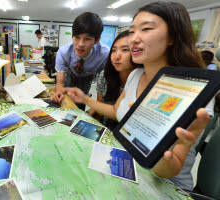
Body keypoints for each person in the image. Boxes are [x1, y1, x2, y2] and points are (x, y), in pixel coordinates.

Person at [65, 1, 214, 191]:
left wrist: (165, 156)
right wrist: (85, 99)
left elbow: (168, 170)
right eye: (133, 30)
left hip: (162, 185)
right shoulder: (136, 75)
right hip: (127, 165)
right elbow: (116, 111)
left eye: (146, 29)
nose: (133, 39)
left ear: (172, 37)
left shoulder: (192, 89)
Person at [51, 12, 110, 110]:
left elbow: (105, 82)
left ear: (97, 39)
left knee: (81, 100)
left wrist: (96, 108)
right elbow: (60, 83)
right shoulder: (63, 52)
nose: (80, 44)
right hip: (70, 74)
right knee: (65, 99)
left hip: (88, 76)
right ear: (72, 36)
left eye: (87, 39)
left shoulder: (105, 54)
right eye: (77, 38)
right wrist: (58, 93)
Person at [87, 30, 141, 129]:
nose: (117, 56)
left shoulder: (141, 78)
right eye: (114, 50)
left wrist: (86, 100)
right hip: (106, 127)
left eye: (125, 50)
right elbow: (100, 105)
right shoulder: (105, 75)